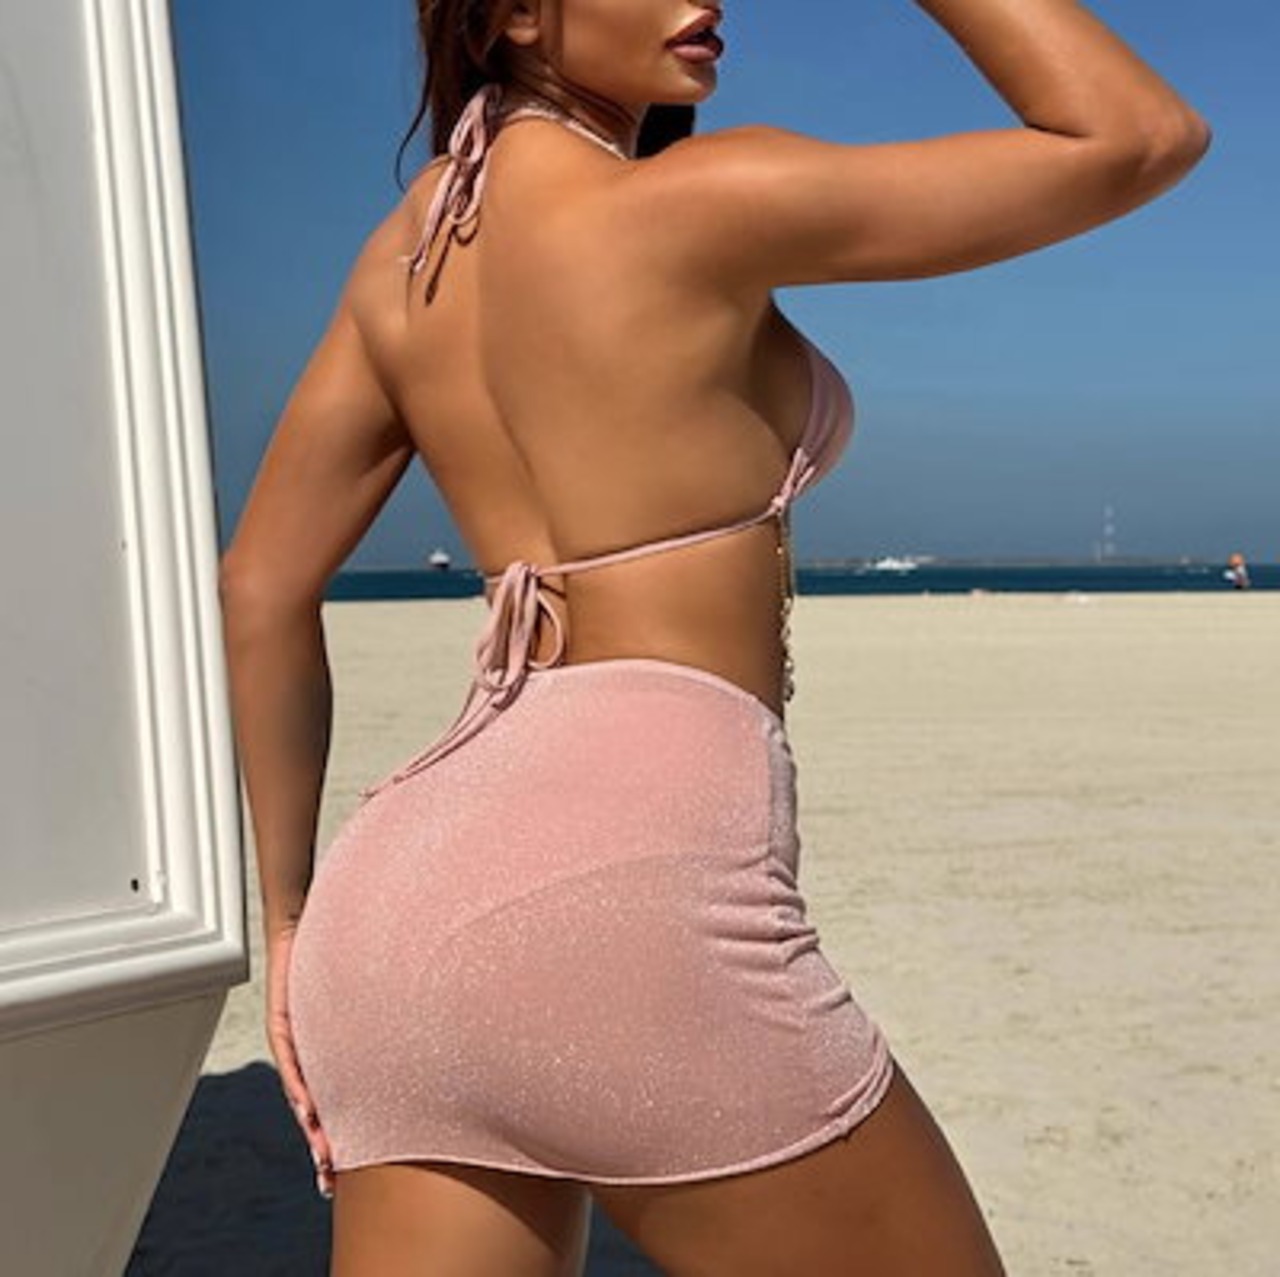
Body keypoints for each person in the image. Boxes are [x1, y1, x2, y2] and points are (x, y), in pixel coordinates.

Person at [219, 2, 1208, 1273]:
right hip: (629, 887)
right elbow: (1135, 135)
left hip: (390, 912)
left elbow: (258, 586)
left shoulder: (398, 264)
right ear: (514, 14)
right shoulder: (699, 201)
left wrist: (290, 924)